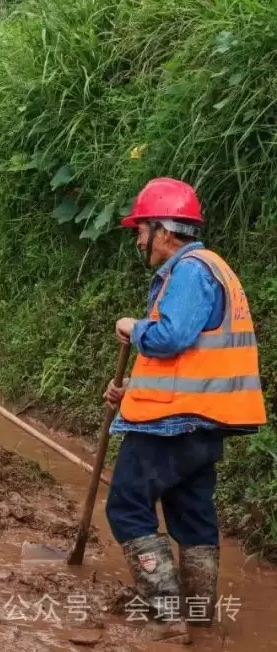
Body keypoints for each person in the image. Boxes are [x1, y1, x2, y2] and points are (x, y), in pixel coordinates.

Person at [103, 178, 265, 644]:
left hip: (170, 424)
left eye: (140, 229)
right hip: (202, 419)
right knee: (191, 512)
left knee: (128, 506)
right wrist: (133, 387)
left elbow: (170, 337)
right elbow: (195, 358)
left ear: (163, 229)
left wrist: (133, 327)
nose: (137, 240)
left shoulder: (190, 269)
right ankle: (200, 617)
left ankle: (166, 616)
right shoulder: (213, 270)